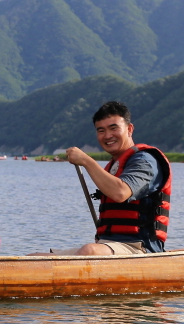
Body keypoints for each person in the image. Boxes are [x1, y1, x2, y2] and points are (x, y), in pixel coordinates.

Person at [37, 101, 172, 256]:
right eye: (101, 131)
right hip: (107, 246)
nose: (107, 136)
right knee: (34, 258)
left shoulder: (146, 161)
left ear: (129, 129)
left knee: (89, 251)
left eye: (113, 128)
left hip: (140, 247)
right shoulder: (114, 166)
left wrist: (86, 161)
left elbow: (120, 193)